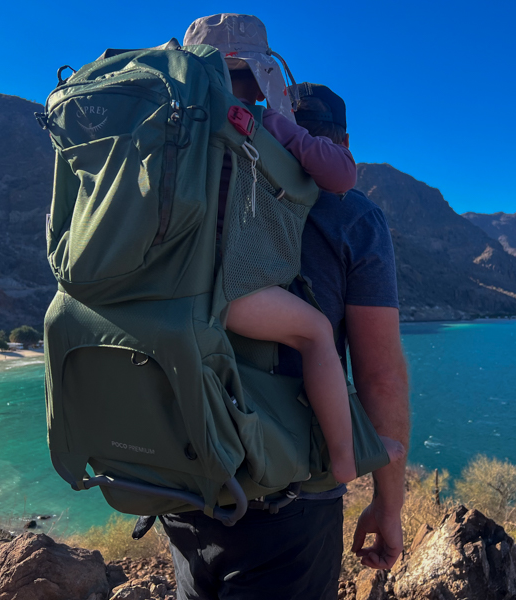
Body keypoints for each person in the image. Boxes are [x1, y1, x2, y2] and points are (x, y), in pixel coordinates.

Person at [159, 24, 410, 595]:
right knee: (317, 335)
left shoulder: (176, 166)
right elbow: (380, 376)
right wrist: (387, 504)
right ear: (342, 142)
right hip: (287, 496)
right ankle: (348, 456)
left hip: (182, 472)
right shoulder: (351, 215)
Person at [186, 13, 402, 484]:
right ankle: (345, 458)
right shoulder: (261, 123)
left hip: (161, 289)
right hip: (226, 293)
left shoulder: (170, 126)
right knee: (316, 334)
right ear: (263, 76)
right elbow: (342, 175)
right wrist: (287, 128)